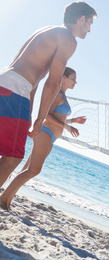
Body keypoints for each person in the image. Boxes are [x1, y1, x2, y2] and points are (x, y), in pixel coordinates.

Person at [0, 1, 97, 194]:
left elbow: (35, 80)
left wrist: (29, 112)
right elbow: (52, 83)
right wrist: (40, 118)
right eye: (89, 24)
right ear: (82, 19)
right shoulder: (69, 40)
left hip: (7, 82)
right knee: (13, 156)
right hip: (17, 89)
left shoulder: (47, 30)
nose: (89, 29)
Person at [0, 67, 86, 210]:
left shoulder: (63, 96)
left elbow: (58, 118)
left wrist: (72, 121)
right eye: (73, 78)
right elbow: (47, 116)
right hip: (45, 133)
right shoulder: (57, 94)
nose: (75, 82)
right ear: (63, 77)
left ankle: (6, 200)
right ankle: (4, 199)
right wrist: (67, 127)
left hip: (51, 137)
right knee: (33, 170)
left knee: (28, 170)